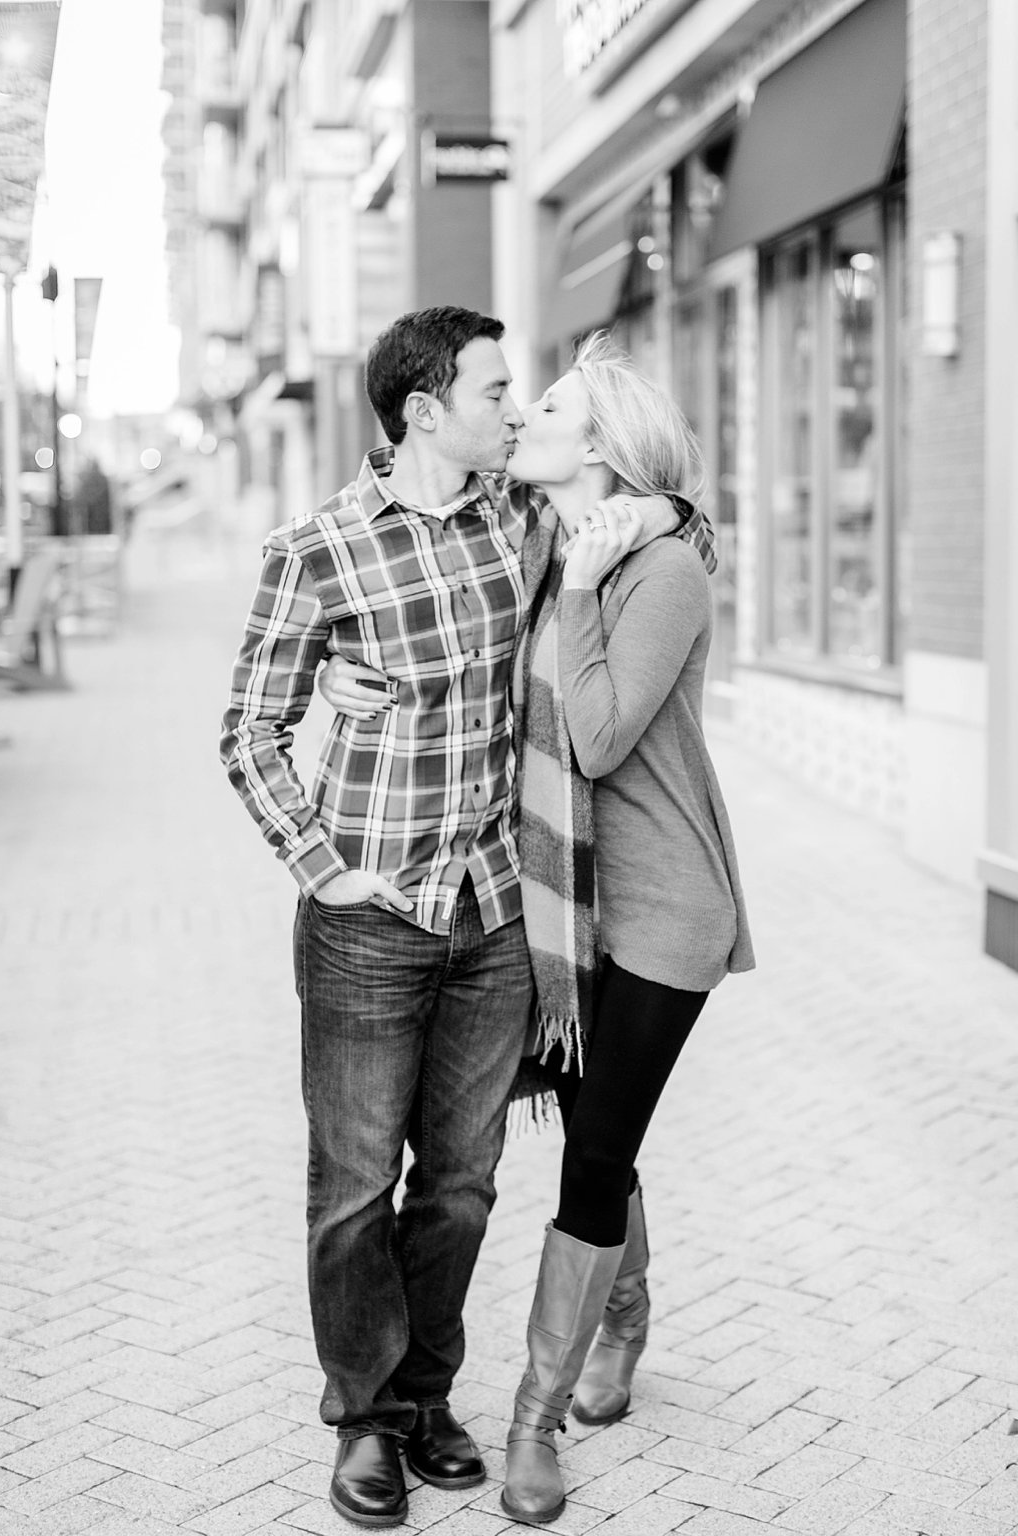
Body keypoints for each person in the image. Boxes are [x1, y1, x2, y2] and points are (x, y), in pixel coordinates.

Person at [219, 306, 709, 1529]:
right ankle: (365, 1421)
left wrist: (660, 513)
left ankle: (428, 1402)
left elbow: (659, 516)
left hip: (497, 914)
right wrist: (321, 865)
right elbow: (246, 731)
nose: (515, 405)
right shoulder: (316, 547)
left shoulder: (526, 521)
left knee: (460, 1186)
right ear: (423, 411)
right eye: (497, 390)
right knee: (348, 1188)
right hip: (368, 918)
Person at [483, 332, 753, 1524]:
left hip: (660, 909)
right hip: (572, 904)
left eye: (540, 408)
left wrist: (590, 589)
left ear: (594, 447)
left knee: (593, 1153)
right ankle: (625, 1309)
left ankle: (533, 1421)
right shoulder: (549, 544)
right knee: (595, 1132)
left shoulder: (654, 575)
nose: (518, 421)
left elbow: (594, 737)